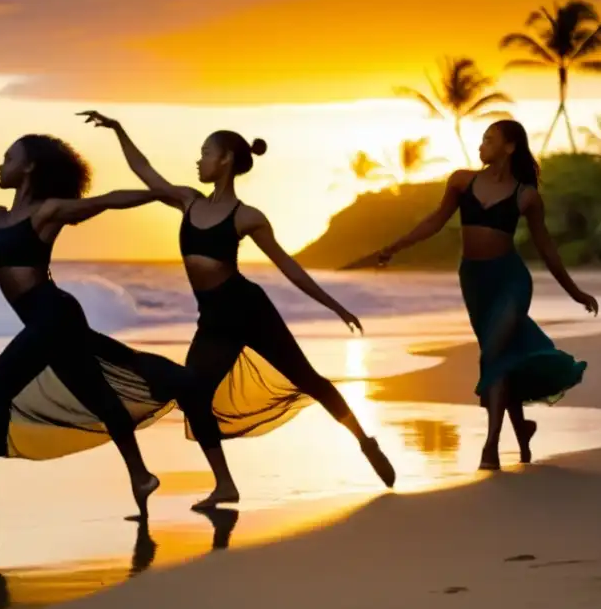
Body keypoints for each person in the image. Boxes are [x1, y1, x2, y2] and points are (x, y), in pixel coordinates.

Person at [83, 110, 396, 508]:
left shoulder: (246, 216)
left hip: (248, 309)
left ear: (226, 159)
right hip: (213, 317)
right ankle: (225, 485)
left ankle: (365, 442)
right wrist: (118, 130)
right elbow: (146, 171)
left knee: (308, 379)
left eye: (206, 153)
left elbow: (288, 267)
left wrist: (334, 305)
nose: (199, 160)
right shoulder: (187, 200)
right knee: (193, 394)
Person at [0, 134, 179, 536]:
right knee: (98, 396)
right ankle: (141, 475)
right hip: (46, 318)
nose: (0, 165)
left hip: (52, 314)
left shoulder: (46, 212)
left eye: (8, 157)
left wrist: (158, 194)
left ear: (29, 167)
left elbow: (104, 201)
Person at [345, 120, 597, 470]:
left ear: (509, 147)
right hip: (475, 281)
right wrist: (395, 247)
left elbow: (547, 248)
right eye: (482, 139)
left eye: (489, 140)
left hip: (510, 280)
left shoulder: (526, 196)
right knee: (503, 356)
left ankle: (490, 447)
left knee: (493, 353)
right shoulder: (462, 181)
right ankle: (521, 427)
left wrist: (575, 291)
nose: (482, 146)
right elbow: (434, 221)